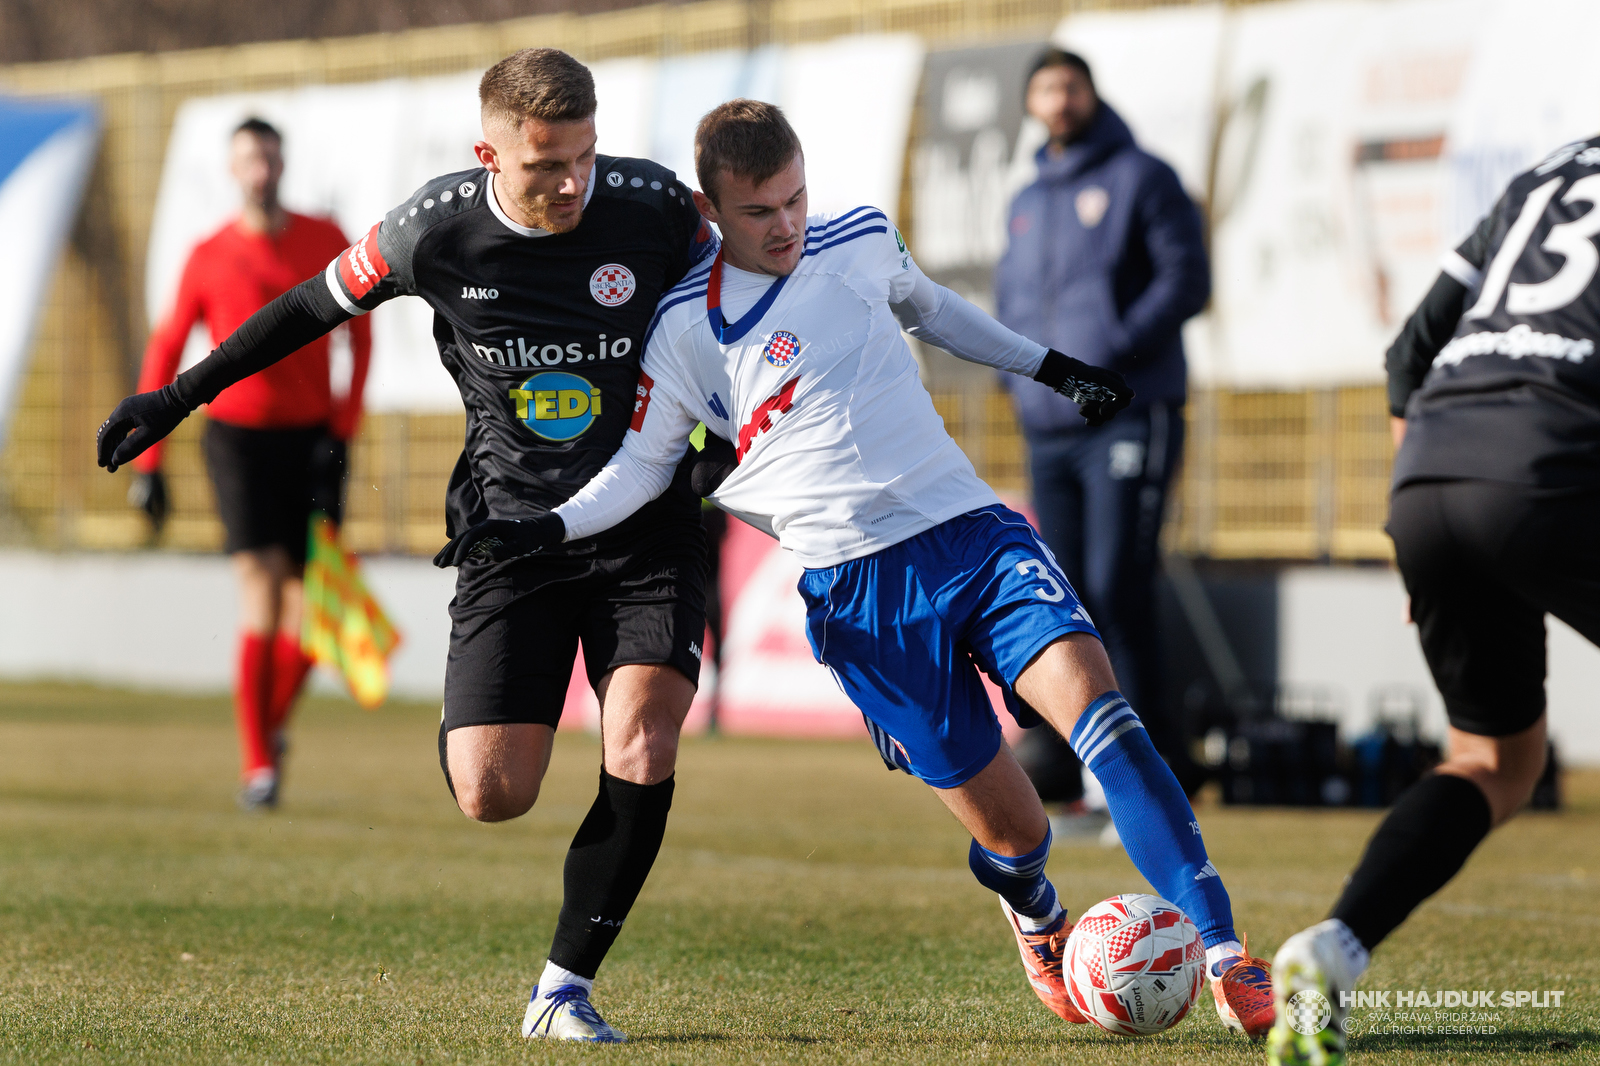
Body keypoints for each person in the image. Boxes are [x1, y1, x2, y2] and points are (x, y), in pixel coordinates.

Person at [434, 99, 1276, 1039]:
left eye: (796, 198)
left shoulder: (862, 238)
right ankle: (1035, 911)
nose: (787, 223)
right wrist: (544, 529)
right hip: (859, 596)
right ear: (712, 212)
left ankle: (1226, 953)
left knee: (1106, 724)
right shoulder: (680, 330)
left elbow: (937, 310)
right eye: (761, 211)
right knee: (1016, 832)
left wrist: (1051, 367)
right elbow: (641, 468)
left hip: (974, 537)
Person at [98, 48, 719, 1043]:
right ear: (488, 153)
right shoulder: (430, 229)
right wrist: (178, 398)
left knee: (641, 732)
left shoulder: (655, 207)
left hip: (645, 515)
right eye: (544, 165)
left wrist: (723, 440)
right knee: (492, 791)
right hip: (508, 525)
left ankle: (563, 987)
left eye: (584, 158)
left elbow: (749, 295)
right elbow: (305, 308)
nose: (571, 184)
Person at [1266, 135, 1600, 1065]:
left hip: (1432, 476)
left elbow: (1411, 349)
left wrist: (1431, 519)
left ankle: (1331, 948)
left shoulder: (1554, 168)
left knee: (1497, 760)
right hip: (1555, 462)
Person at [129, 116, 372, 811]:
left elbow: (365, 339)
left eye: (270, 157)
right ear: (232, 171)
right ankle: (258, 764)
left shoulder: (324, 240)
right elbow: (167, 348)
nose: (260, 170)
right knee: (260, 589)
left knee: (313, 615)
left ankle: (266, 727)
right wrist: (148, 464)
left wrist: (344, 431)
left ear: (283, 163)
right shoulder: (207, 254)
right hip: (235, 441)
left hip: (313, 441)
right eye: (248, 160)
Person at [994, 49, 1211, 806]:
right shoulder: (1025, 199)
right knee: (1068, 595)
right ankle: (1066, 756)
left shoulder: (1142, 177)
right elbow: (1012, 298)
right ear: (1031, 102)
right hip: (1049, 428)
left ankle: (1155, 773)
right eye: (1045, 87)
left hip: (1126, 414)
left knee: (1122, 587)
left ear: (1089, 93)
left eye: (1069, 86)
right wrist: (1013, 373)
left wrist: (1110, 351)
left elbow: (1188, 280)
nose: (1058, 100)